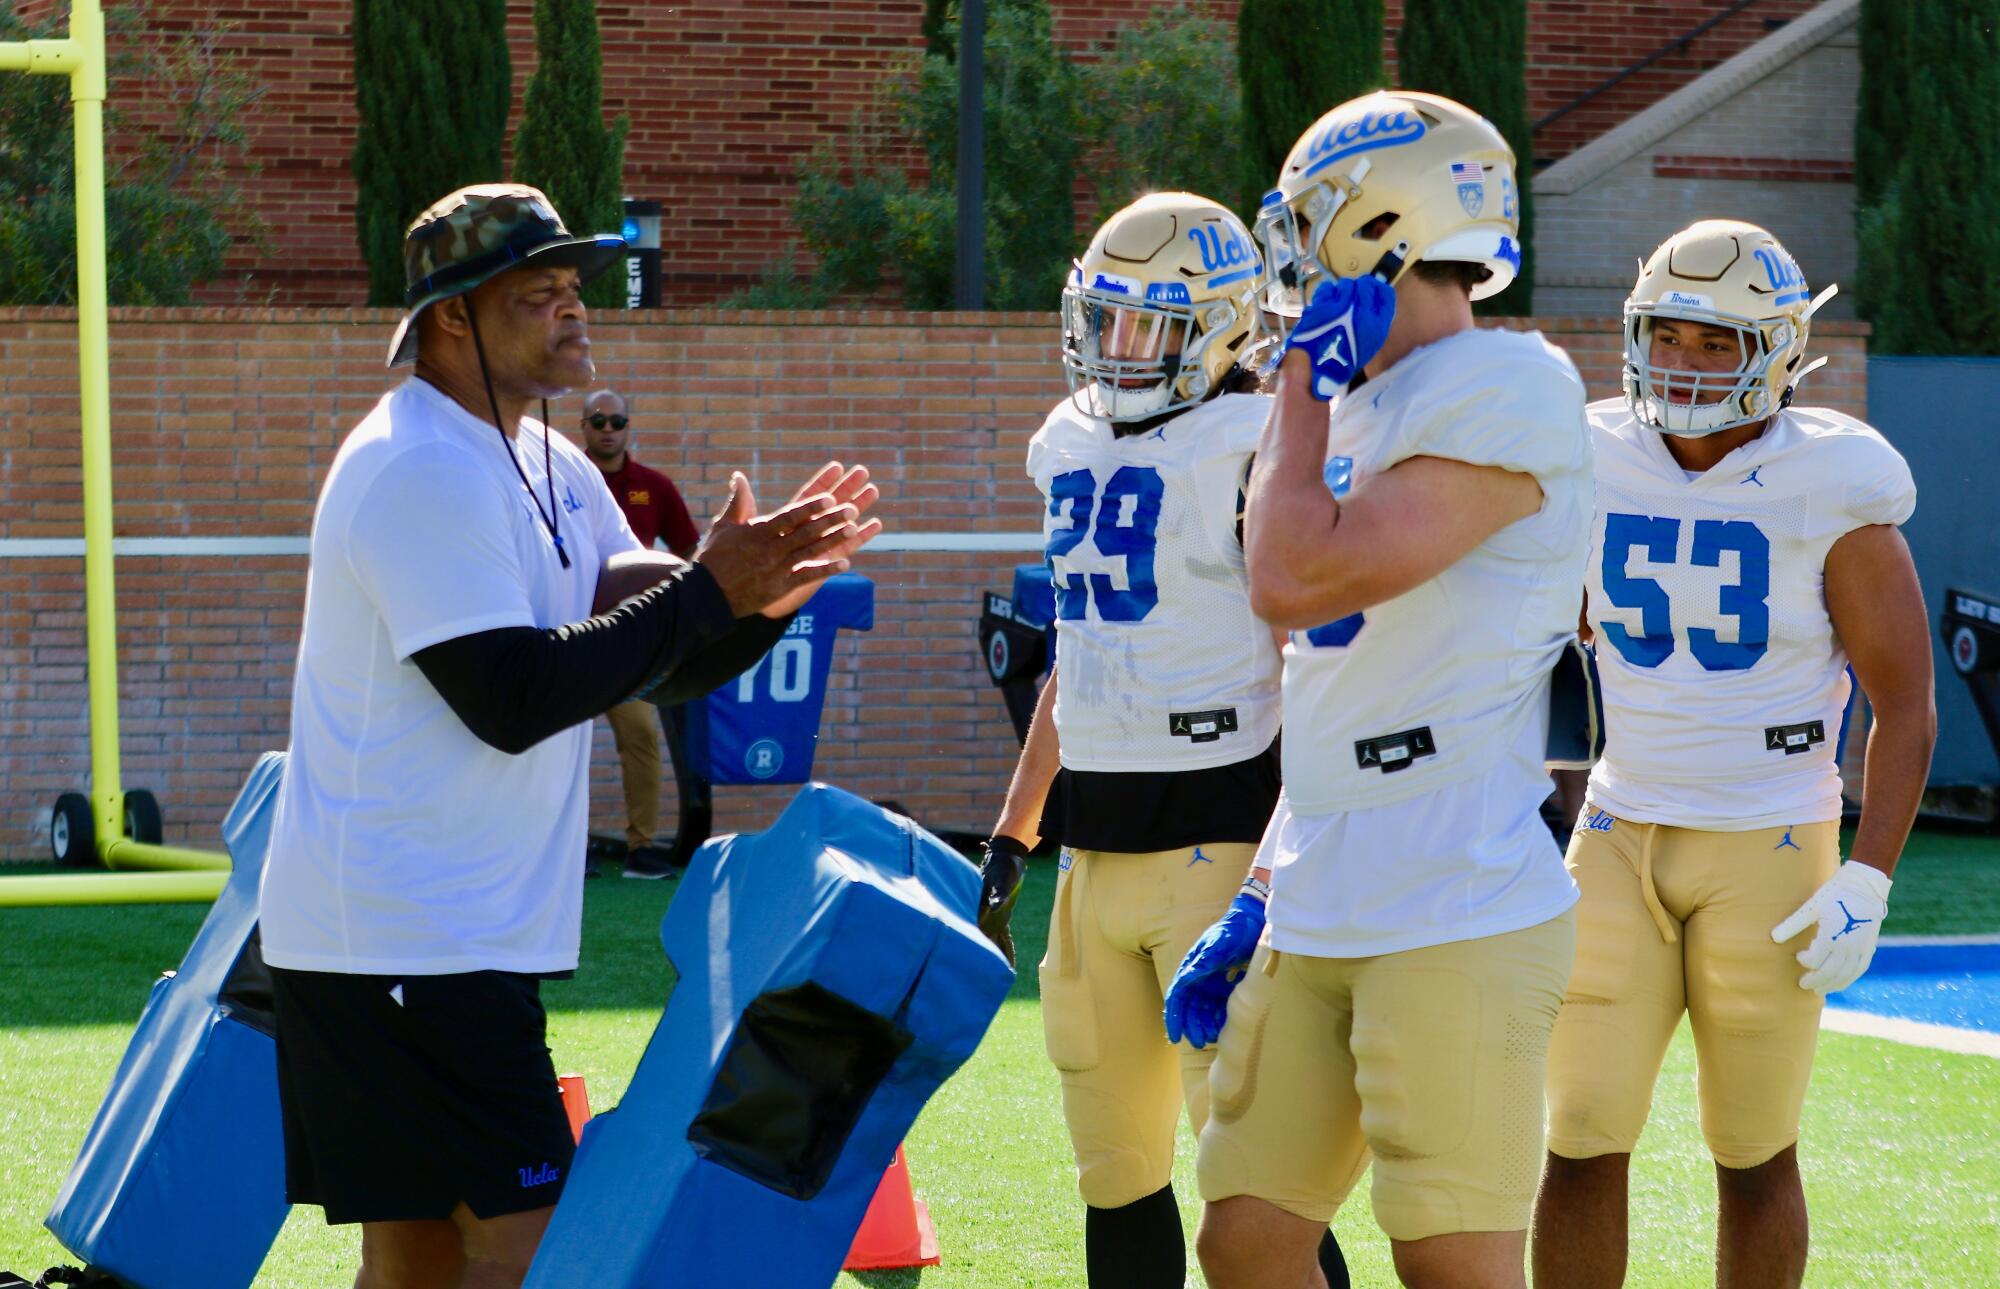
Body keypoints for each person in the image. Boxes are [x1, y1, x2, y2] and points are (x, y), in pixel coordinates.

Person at [257, 184, 879, 1289]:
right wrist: (706, 595)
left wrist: (747, 602)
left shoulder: (548, 459)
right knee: (525, 1243)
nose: (573, 311)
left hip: (438, 931)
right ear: (453, 316)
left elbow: (650, 647)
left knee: (418, 1254)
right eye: (539, 292)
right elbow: (509, 694)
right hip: (404, 935)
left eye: (573, 289)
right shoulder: (418, 465)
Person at [1170, 91, 1592, 1289]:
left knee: (1449, 1265)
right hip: (1322, 879)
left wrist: (1300, 377)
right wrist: (1260, 883)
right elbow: (1332, 688)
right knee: (1246, 1241)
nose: (1289, 262)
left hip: (1450, 894)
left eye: (1309, 225)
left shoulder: (1505, 383)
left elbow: (1291, 578)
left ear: (1377, 225)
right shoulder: (1356, 393)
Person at [1533, 220, 1935, 1289]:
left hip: (1767, 841)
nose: (1684, 362)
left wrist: (1866, 874)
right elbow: (1533, 645)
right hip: (1615, 832)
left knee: (1753, 1148)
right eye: (1668, 336)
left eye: (1716, 343)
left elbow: (1904, 700)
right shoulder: (1589, 449)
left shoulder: (1832, 477)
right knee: (1574, 1133)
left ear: (1776, 353)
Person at [974, 191, 1344, 1289]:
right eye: (1109, 320)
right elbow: (1076, 659)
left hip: (1218, 845)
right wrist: (1010, 835)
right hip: (1093, 859)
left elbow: (1318, 671)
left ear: (1227, 325)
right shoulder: (1069, 439)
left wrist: (1278, 872)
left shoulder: (1252, 443)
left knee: (1256, 1181)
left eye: (1156, 326)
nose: (1122, 351)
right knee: (1114, 1171)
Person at [576, 386, 700, 878]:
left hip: (629, 641)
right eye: (598, 420)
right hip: (569, 634)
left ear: (629, 428)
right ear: (583, 426)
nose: (608, 429)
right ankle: (569, 851)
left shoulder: (655, 486)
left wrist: (675, 614)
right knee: (559, 746)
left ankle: (641, 850)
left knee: (642, 738)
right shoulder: (559, 481)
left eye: (617, 422)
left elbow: (690, 551)